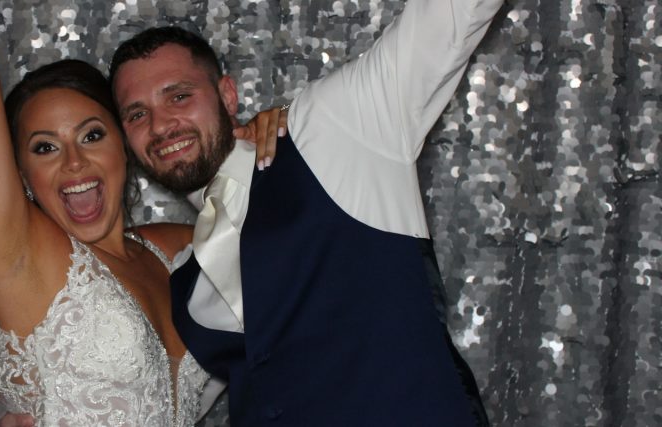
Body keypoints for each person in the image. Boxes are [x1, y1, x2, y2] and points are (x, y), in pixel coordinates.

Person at [109, 0, 504, 425]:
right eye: (137, 114)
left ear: (227, 95)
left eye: (179, 96)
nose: (161, 125)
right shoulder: (186, 277)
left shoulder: (333, 125)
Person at [0, 0, 283, 424]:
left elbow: (287, 246)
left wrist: (266, 135)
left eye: (91, 135)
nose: (73, 162)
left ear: (125, 145)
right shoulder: (22, 257)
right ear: (19, 175)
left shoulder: (178, 247)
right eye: (45, 147)